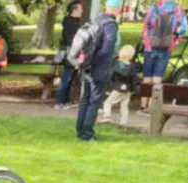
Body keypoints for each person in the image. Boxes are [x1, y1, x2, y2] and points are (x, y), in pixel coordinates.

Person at [75, 0, 122, 142]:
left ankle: (80, 130)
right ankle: (87, 134)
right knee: (94, 101)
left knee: (85, 99)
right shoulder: (110, 24)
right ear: (118, 9)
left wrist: (88, 62)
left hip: (87, 65)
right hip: (99, 67)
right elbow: (107, 48)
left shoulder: (95, 20)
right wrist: (97, 61)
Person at [140, 0, 188, 112]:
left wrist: (146, 41)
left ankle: (143, 106)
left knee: (147, 77)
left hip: (150, 46)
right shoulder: (178, 9)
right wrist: (174, 42)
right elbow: (184, 29)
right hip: (166, 47)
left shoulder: (155, 6)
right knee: (157, 78)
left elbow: (146, 24)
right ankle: (153, 107)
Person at [98, 45, 138, 126]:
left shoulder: (117, 65)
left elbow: (110, 77)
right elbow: (134, 79)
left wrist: (108, 88)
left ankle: (107, 116)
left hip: (117, 88)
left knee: (108, 102)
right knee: (124, 106)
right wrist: (133, 89)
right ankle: (123, 122)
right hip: (128, 89)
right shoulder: (132, 66)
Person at [54, 1, 83, 109]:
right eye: (80, 9)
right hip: (70, 53)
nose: (82, 11)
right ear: (74, 9)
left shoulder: (74, 22)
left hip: (73, 52)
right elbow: (71, 39)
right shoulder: (70, 23)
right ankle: (60, 101)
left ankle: (65, 101)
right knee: (67, 77)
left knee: (70, 78)